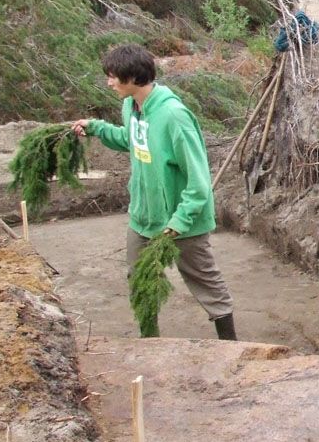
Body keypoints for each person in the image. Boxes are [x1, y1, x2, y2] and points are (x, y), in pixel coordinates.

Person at [71, 44, 237, 341]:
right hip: (143, 216)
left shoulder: (174, 116)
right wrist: (95, 128)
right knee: (141, 279)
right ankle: (150, 344)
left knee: (206, 283)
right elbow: (132, 140)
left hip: (180, 224)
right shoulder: (130, 107)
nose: (109, 83)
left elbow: (199, 181)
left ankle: (232, 344)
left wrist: (179, 223)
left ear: (132, 77)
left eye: (112, 77)